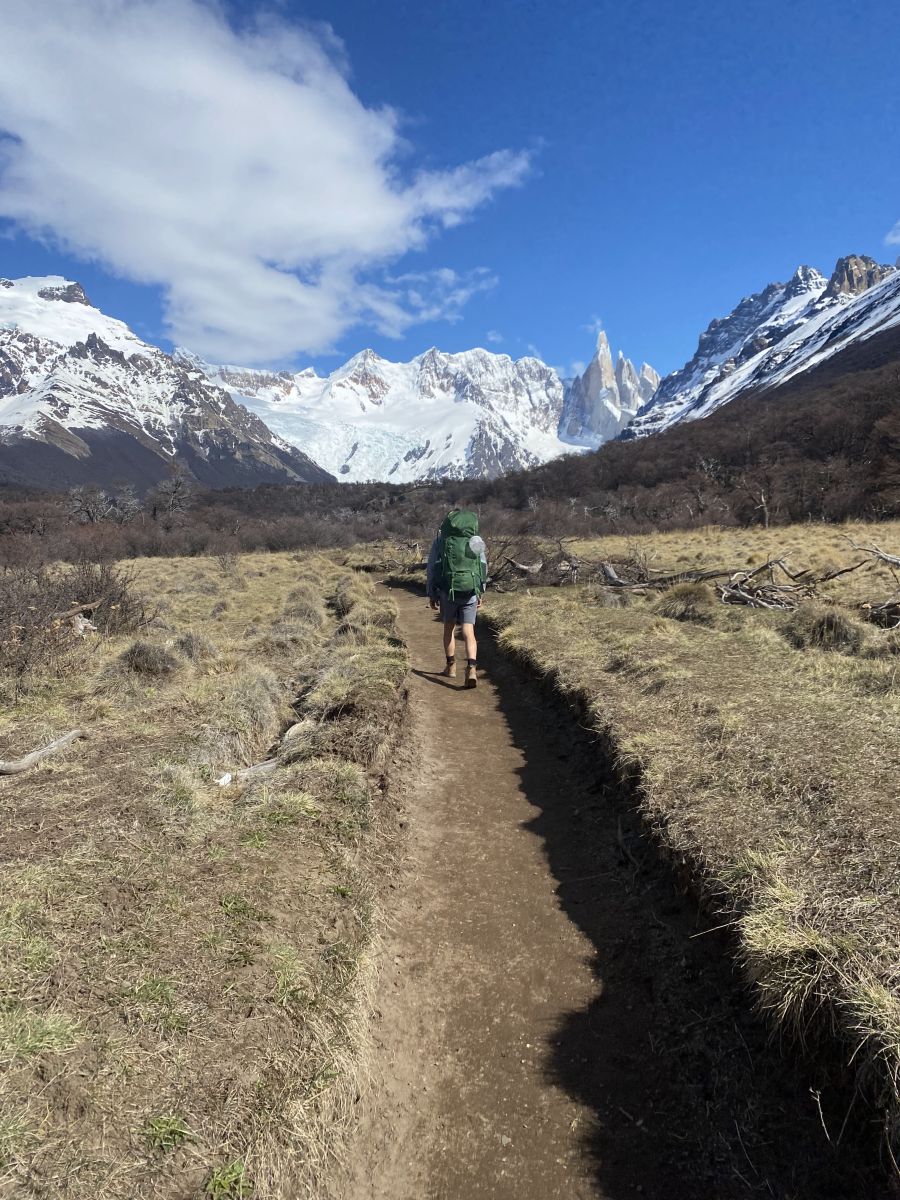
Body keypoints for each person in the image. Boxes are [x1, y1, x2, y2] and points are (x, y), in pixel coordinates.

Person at [425, 508, 488, 689]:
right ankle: (472, 668)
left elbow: (431, 568)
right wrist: (480, 591)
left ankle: (451, 667)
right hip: (470, 591)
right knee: (469, 631)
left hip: (448, 590)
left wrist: (431, 593)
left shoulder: (441, 541)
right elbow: (483, 566)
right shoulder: (476, 540)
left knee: (449, 628)